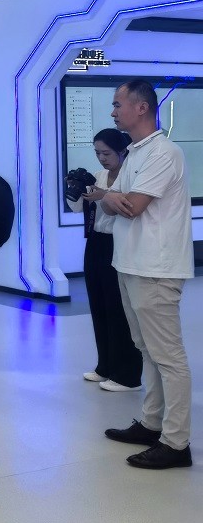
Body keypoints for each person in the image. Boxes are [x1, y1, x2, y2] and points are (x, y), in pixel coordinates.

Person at [101, 80, 193, 470]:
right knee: (147, 350)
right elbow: (111, 202)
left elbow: (132, 205)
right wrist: (111, 198)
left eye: (117, 104)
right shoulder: (136, 151)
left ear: (141, 108)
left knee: (168, 357)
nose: (112, 111)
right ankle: (152, 423)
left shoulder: (164, 153)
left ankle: (176, 442)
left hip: (156, 268)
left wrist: (109, 197)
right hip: (130, 263)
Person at [64, 128, 142, 392]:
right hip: (96, 243)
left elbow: (127, 208)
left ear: (122, 151)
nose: (101, 158)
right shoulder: (98, 176)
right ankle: (105, 366)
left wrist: (103, 195)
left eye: (106, 153)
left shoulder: (132, 177)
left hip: (119, 244)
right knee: (98, 304)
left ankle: (127, 375)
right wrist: (73, 188)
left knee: (119, 309)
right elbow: (78, 206)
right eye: (97, 153)